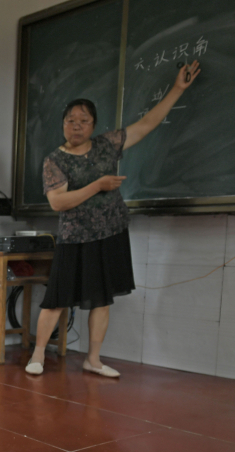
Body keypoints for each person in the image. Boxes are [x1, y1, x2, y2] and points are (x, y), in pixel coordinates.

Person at [25, 61, 201, 378]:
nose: (76, 126)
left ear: (93, 125)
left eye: (83, 120)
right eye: (70, 120)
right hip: (75, 236)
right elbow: (58, 202)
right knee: (57, 299)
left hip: (111, 232)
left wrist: (178, 88)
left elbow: (148, 123)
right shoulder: (56, 159)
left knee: (102, 300)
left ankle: (93, 359)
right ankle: (37, 355)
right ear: (63, 124)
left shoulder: (109, 145)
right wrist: (97, 185)